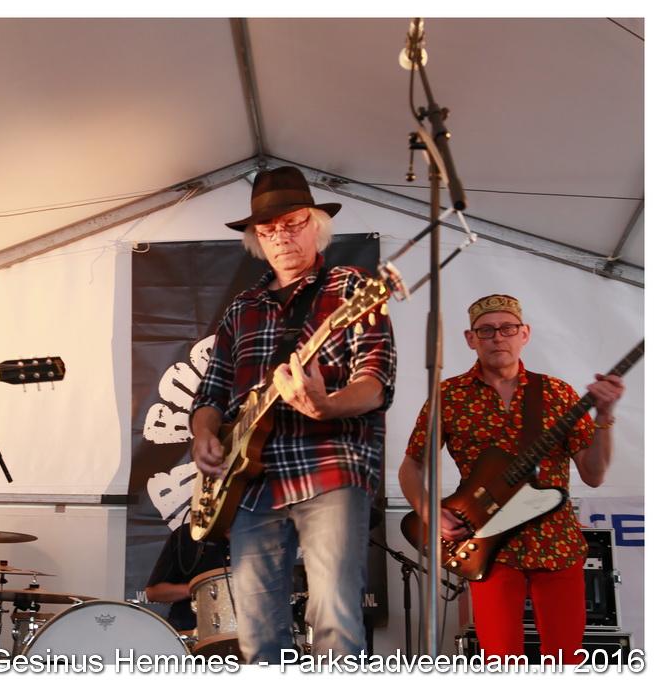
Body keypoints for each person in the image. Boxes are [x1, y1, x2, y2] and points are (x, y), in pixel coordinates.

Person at [190, 166, 396, 662]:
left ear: (316, 226)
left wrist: (326, 405)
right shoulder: (242, 307)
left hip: (328, 468)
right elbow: (211, 393)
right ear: (256, 240)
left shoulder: (353, 288)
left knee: (335, 620)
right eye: (267, 230)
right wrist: (204, 435)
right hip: (250, 484)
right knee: (257, 634)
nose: (281, 237)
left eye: (292, 224)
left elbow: (375, 383)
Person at [398, 294, 624, 662]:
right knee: (500, 660)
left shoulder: (556, 392)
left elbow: (594, 474)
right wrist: (429, 511)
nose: (497, 337)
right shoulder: (449, 396)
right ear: (471, 339)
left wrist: (605, 416)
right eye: (486, 331)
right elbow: (412, 466)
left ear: (525, 334)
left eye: (507, 328)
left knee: (566, 661)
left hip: (556, 543)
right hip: (488, 546)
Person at [145, 522, 230, 633]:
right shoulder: (187, 534)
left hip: (244, 628)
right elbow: (153, 592)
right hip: (190, 629)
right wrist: (199, 589)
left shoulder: (252, 534)